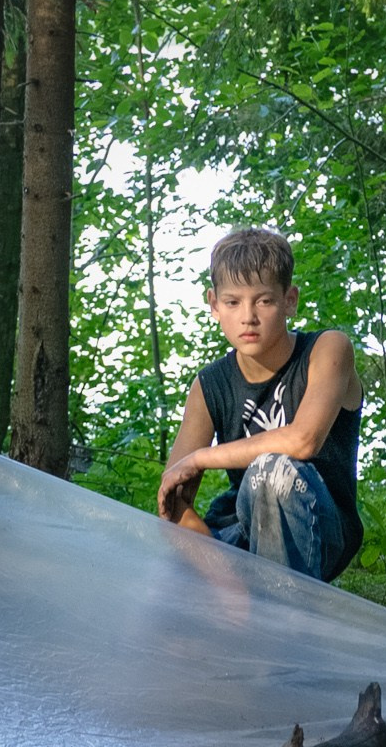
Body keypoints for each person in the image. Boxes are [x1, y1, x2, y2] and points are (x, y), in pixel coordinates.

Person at [156, 228, 364, 581]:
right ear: (214, 305)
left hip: (321, 529)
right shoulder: (210, 385)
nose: (248, 316)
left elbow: (303, 441)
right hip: (242, 532)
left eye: (264, 300)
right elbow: (172, 503)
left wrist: (201, 458)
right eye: (233, 302)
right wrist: (226, 581)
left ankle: (283, 622)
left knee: (273, 472)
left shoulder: (327, 350)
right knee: (161, 583)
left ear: (290, 300)